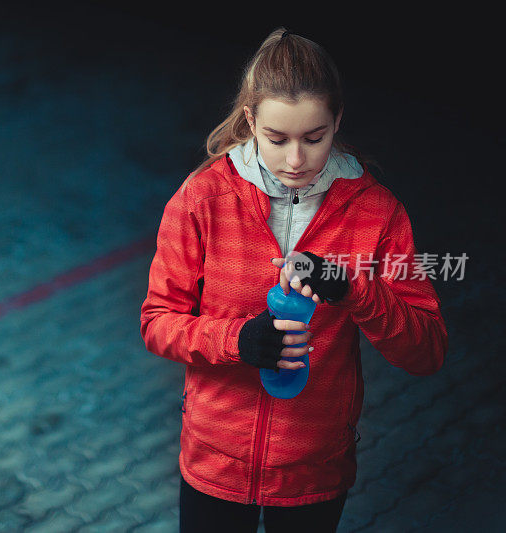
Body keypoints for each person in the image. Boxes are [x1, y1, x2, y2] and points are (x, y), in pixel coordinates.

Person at [139, 27, 448, 532]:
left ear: (337, 120)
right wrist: (238, 339)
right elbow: (156, 322)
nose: (295, 161)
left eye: (314, 137)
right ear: (250, 120)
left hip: (314, 468)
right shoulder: (202, 199)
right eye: (277, 139)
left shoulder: (377, 215)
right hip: (215, 461)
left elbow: (428, 351)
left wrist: (353, 290)